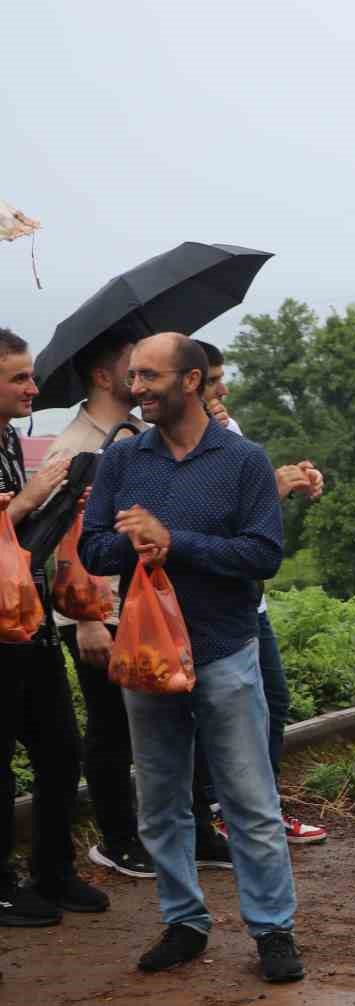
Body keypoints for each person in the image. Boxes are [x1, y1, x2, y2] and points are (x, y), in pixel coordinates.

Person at [79, 332, 303, 982]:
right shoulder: (121, 461)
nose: (136, 388)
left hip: (225, 654)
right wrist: (133, 545)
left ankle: (272, 931)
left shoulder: (243, 461)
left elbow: (263, 555)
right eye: (133, 377)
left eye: (149, 376)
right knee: (162, 798)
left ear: (190, 381)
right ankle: (184, 921)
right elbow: (93, 550)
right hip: (147, 657)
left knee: (249, 799)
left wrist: (174, 541)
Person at [0, 327, 109, 928]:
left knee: (60, 750)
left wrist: (63, 499)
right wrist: (25, 500)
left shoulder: (13, 437)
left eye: (30, 375)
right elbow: (8, 518)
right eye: (18, 377)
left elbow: (21, 534)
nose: (32, 388)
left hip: (30, 616)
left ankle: (53, 869)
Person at [200, 341, 328, 845]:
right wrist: (275, 486)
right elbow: (216, 518)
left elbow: (253, 509)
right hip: (213, 603)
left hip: (251, 598)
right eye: (213, 380)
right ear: (188, 382)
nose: (223, 389)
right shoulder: (164, 444)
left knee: (272, 701)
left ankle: (262, 811)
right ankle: (221, 815)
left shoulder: (229, 431)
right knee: (219, 712)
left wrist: (292, 481)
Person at [38, 328, 154, 879]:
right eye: (132, 366)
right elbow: (64, 538)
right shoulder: (77, 446)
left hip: (132, 604)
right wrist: (84, 619)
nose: (141, 376)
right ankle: (117, 838)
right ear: (103, 377)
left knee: (142, 721)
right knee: (111, 725)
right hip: (94, 610)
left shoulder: (135, 434)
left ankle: (145, 830)